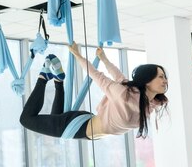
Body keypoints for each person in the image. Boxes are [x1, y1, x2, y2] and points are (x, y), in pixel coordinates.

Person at [20, 42, 168, 140]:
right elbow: (97, 76)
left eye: (164, 77)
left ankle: (59, 81)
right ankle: (44, 78)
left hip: (87, 127)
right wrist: (78, 55)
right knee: (26, 120)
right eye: (161, 77)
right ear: (147, 80)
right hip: (80, 127)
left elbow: (119, 76)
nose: (165, 80)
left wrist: (104, 59)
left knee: (56, 118)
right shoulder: (123, 94)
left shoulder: (150, 104)